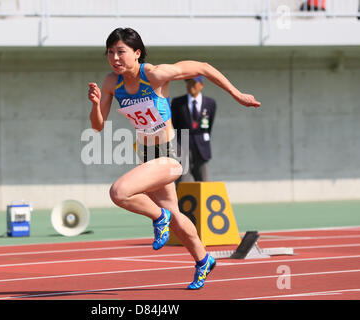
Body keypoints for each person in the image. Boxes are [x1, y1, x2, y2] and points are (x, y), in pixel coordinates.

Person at [87, 27, 260, 290]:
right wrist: (95, 104)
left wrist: (237, 95)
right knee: (176, 215)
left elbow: (203, 67)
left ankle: (158, 218)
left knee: (119, 192)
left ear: (137, 53)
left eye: (121, 52)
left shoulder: (155, 74)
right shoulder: (112, 82)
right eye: (110, 53)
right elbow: (98, 126)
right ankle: (204, 259)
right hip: (146, 155)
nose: (115, 58)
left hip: (168, 154)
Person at [171, 76, 216, 183]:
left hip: (202, 147)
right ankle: (180, 200)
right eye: (188, 83)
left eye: (193, 83)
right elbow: (173, 125)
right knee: (182, 181)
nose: (190, 86)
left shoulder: (210, 103)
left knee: (203, 181)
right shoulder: (177, 102)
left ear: (201, 85)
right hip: (183, 146)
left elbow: (209, 127)